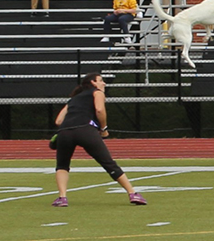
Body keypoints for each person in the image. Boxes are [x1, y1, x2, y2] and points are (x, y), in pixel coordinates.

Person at [51, 73, 147, 208]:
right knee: (108, 163)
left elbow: (59, 121)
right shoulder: (97, 93)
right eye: (101, 80)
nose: (104, 84)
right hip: (85, 130)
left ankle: (62, 197)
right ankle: (132, 193)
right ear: (93, 83)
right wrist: (103, 128)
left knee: (62, 165)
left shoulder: (73, 99)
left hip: (65, 132)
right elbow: (100, 110)